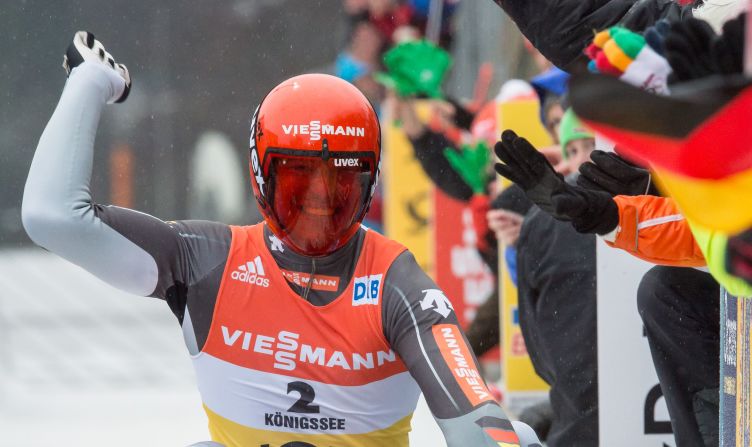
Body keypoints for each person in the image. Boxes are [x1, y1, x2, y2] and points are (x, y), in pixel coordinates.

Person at [21, 31, 542, 447]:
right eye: (298, 180)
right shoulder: (206, 259)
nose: (318, 200)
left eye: (340, 181)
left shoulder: (398, 285)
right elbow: (52, 217)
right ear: (260, 176)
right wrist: (89, 82)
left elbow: (484, 431)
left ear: (369, 182)